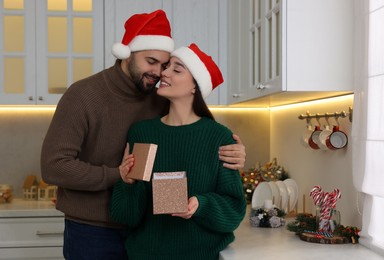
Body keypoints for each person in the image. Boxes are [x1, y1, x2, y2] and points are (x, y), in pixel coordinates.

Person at [40, 10, 246, 260]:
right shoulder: (84, 95)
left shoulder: (159, 100)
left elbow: (193, 133)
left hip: (147, 234)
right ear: (128, 54)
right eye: (151, 61)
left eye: (166, 65)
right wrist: (120, 175)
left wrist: (235, 153)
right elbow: (54, 167)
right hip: (92, 230)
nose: (160, 73)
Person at [110, 43, 247, 260]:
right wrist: (128, 183)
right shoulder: (143, 133)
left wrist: (200, 205)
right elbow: (126, 216)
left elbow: (233, 213)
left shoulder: (218, 137)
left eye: (177, 69)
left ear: (195, 86)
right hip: (146, 255)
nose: (163, 72)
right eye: (167, 67)